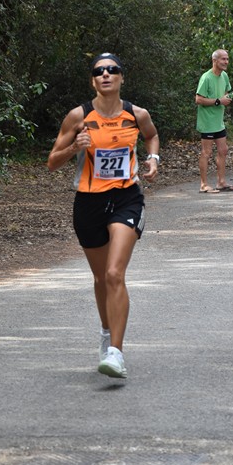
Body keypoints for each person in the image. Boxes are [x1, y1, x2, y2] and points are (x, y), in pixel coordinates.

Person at [47, 52, 159, 379]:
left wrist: (152, 159)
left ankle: (117, 353)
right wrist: (74, 148)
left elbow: (151, 135)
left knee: (114, 274)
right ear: (93, 80)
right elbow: (53, 161)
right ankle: (106, 333)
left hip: (126, 197)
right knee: (100, 279)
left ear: (122, 77)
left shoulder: (137, 115)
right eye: (99, 71)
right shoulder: (77, 117)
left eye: (113, 70)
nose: (106, 75)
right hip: (88, 202)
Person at [195, 49, 233, 194]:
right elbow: (198, 99)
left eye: (227, 59)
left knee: (223, 150)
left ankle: (221, 183)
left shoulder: (224, 76)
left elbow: (224, 95)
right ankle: (203, 185)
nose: (226, 62)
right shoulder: (206, 77)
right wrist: (218, 101)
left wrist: (230, 96)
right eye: (223, 59)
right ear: (215, 61)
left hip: (218, 122)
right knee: (206, 152)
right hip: (207, 122)